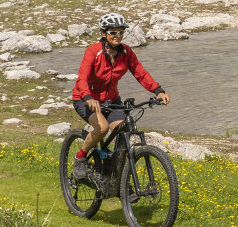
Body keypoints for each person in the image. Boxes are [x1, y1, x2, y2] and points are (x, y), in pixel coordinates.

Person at [70, 12, 168, 179]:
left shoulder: (126, 52)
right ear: (103, 33)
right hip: (85, 99)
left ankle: (119, 180)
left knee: (121, 132)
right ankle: (79, 159)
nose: (118, 36)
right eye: (113, 32)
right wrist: (88, 97)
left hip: (112, 101)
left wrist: (158, 91)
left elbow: (140, 73)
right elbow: (82, 78)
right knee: (102, 128)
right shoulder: (93, 52)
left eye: (121, 32)